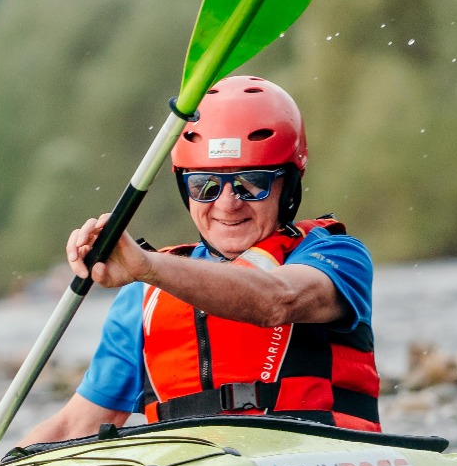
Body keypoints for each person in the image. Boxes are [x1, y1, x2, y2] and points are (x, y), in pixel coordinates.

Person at [19, 75, 379, 445]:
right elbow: (74, 427)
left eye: (251, 183)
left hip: (318, 455)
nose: (227, 204)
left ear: (287, 187)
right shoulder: (142, 296)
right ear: (184, 189)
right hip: (189, 465)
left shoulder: (336, 255)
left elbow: (276, 299)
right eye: (204, 185)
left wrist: (148, 266)